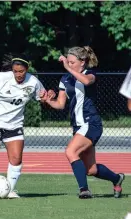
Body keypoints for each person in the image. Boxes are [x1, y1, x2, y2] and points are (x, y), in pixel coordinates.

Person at [40, 46, 125, 199]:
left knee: (70, 152)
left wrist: (67, 67)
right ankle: (116, 178)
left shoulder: (90, 74)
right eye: (68, 62)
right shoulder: (65, 79)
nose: (69, 65)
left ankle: (84, 189)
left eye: (72, 62)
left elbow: (85, 81)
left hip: (91, 123)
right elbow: (60, 104)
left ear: (83, 62)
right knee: (91, 170)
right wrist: (47, 100)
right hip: (78, 126)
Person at [0, 54, 54, 198]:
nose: (18, 74)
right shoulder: (1, 78)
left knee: (16, 158)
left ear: (27, 69)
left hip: (14, 124)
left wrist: (48, 97)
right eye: (15, 71)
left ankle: (10, 190)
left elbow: (43, 99)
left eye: (21, 72)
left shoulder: (34, 82)